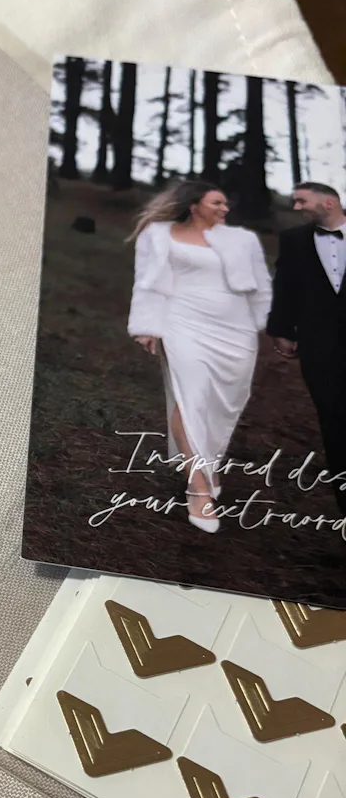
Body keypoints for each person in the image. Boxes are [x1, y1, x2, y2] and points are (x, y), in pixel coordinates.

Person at [127, 180, 272, 533]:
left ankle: (209, 463)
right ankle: (198, 486)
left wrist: (272, 324)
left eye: (226, 203)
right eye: (217, 203)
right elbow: (148, 281)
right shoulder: (158, 234)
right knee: (190, 397)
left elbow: (261, 286)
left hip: (235, 329)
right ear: (193, 205)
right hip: (183, 322)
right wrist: (147, 325)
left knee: (224, 405)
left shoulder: (242, 240)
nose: (225, 209)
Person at [266, 181, 346, 513]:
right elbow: (285, 286)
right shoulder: (294, 240)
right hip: (319, 346)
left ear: (329, 203)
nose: (296, 208)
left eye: (301, 201)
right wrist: (281, 329)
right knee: (334, 421)